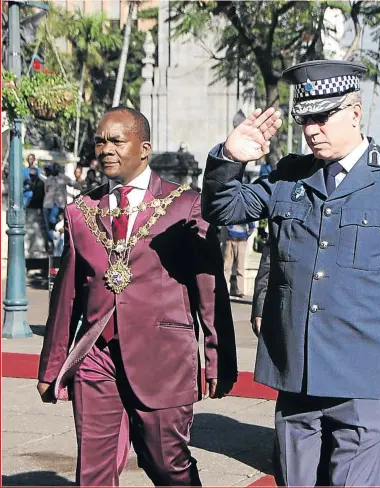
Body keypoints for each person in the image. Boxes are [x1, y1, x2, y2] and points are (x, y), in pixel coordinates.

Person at [201, 60, 380, 486]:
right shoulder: (288, 176)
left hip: (365, 376)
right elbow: (223, 209)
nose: (311, 129)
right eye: (305, 119)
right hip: (298, 373)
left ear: (355, 112)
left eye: (322, 116)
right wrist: (229, 159)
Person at [37, 106, 238, 486]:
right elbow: (65, 299)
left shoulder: (185, 205)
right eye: (100, 141)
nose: (105, 149)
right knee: (93, 471)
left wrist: (217, 357)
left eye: (116, 140)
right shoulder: (81, 212)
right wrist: (52, 366)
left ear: (143, 148)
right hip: (96, 356)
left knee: (166, 464)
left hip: (162, 355)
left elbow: (209, 290)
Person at [42, 163, 82, 247]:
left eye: (57, 168)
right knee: (47, 226)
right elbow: (45, 191)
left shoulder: (64, 178)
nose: (55, 169)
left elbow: (75, 184)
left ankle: (57, 241)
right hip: (47, 204)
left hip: (58, 204)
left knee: (52, 220)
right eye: (54, 168)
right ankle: (52, 242)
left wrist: (83, 188)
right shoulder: (48, 179)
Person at [224, 221, 255, 297]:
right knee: (227, 267)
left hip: (242, 241)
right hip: (230, 240)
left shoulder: (246, 212)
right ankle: (223, 289)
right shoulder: (231, 210)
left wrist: (246, 235)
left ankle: (240, 291)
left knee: (240, 267)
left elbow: (252, 226)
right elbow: (226, 222)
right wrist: (230, 231)